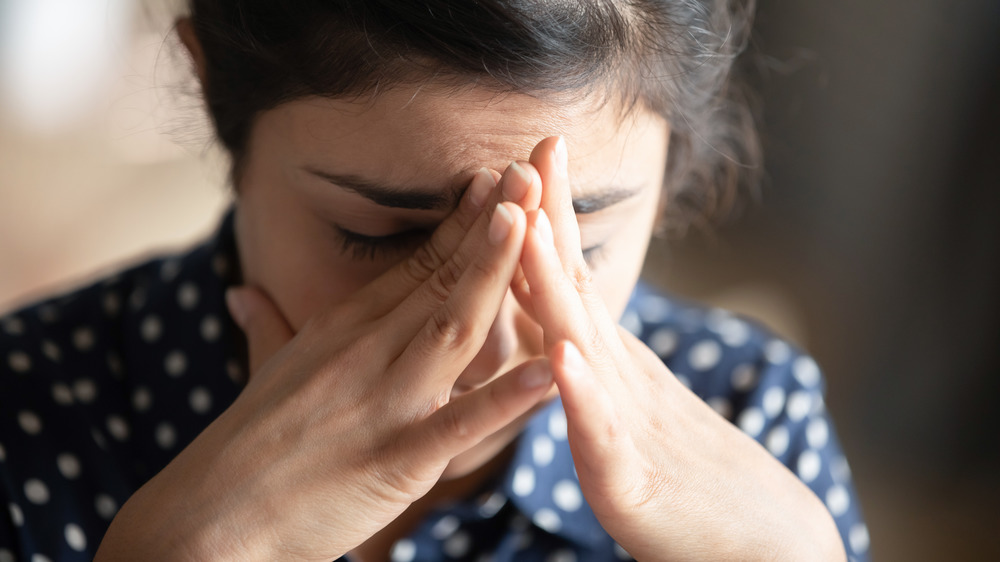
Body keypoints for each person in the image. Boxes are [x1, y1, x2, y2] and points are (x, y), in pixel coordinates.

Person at [0, 1, 870, 560]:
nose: (484, 343)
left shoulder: (752, 411)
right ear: (213, 87)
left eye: (580, 245)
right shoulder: (27, 409)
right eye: (385, 237)